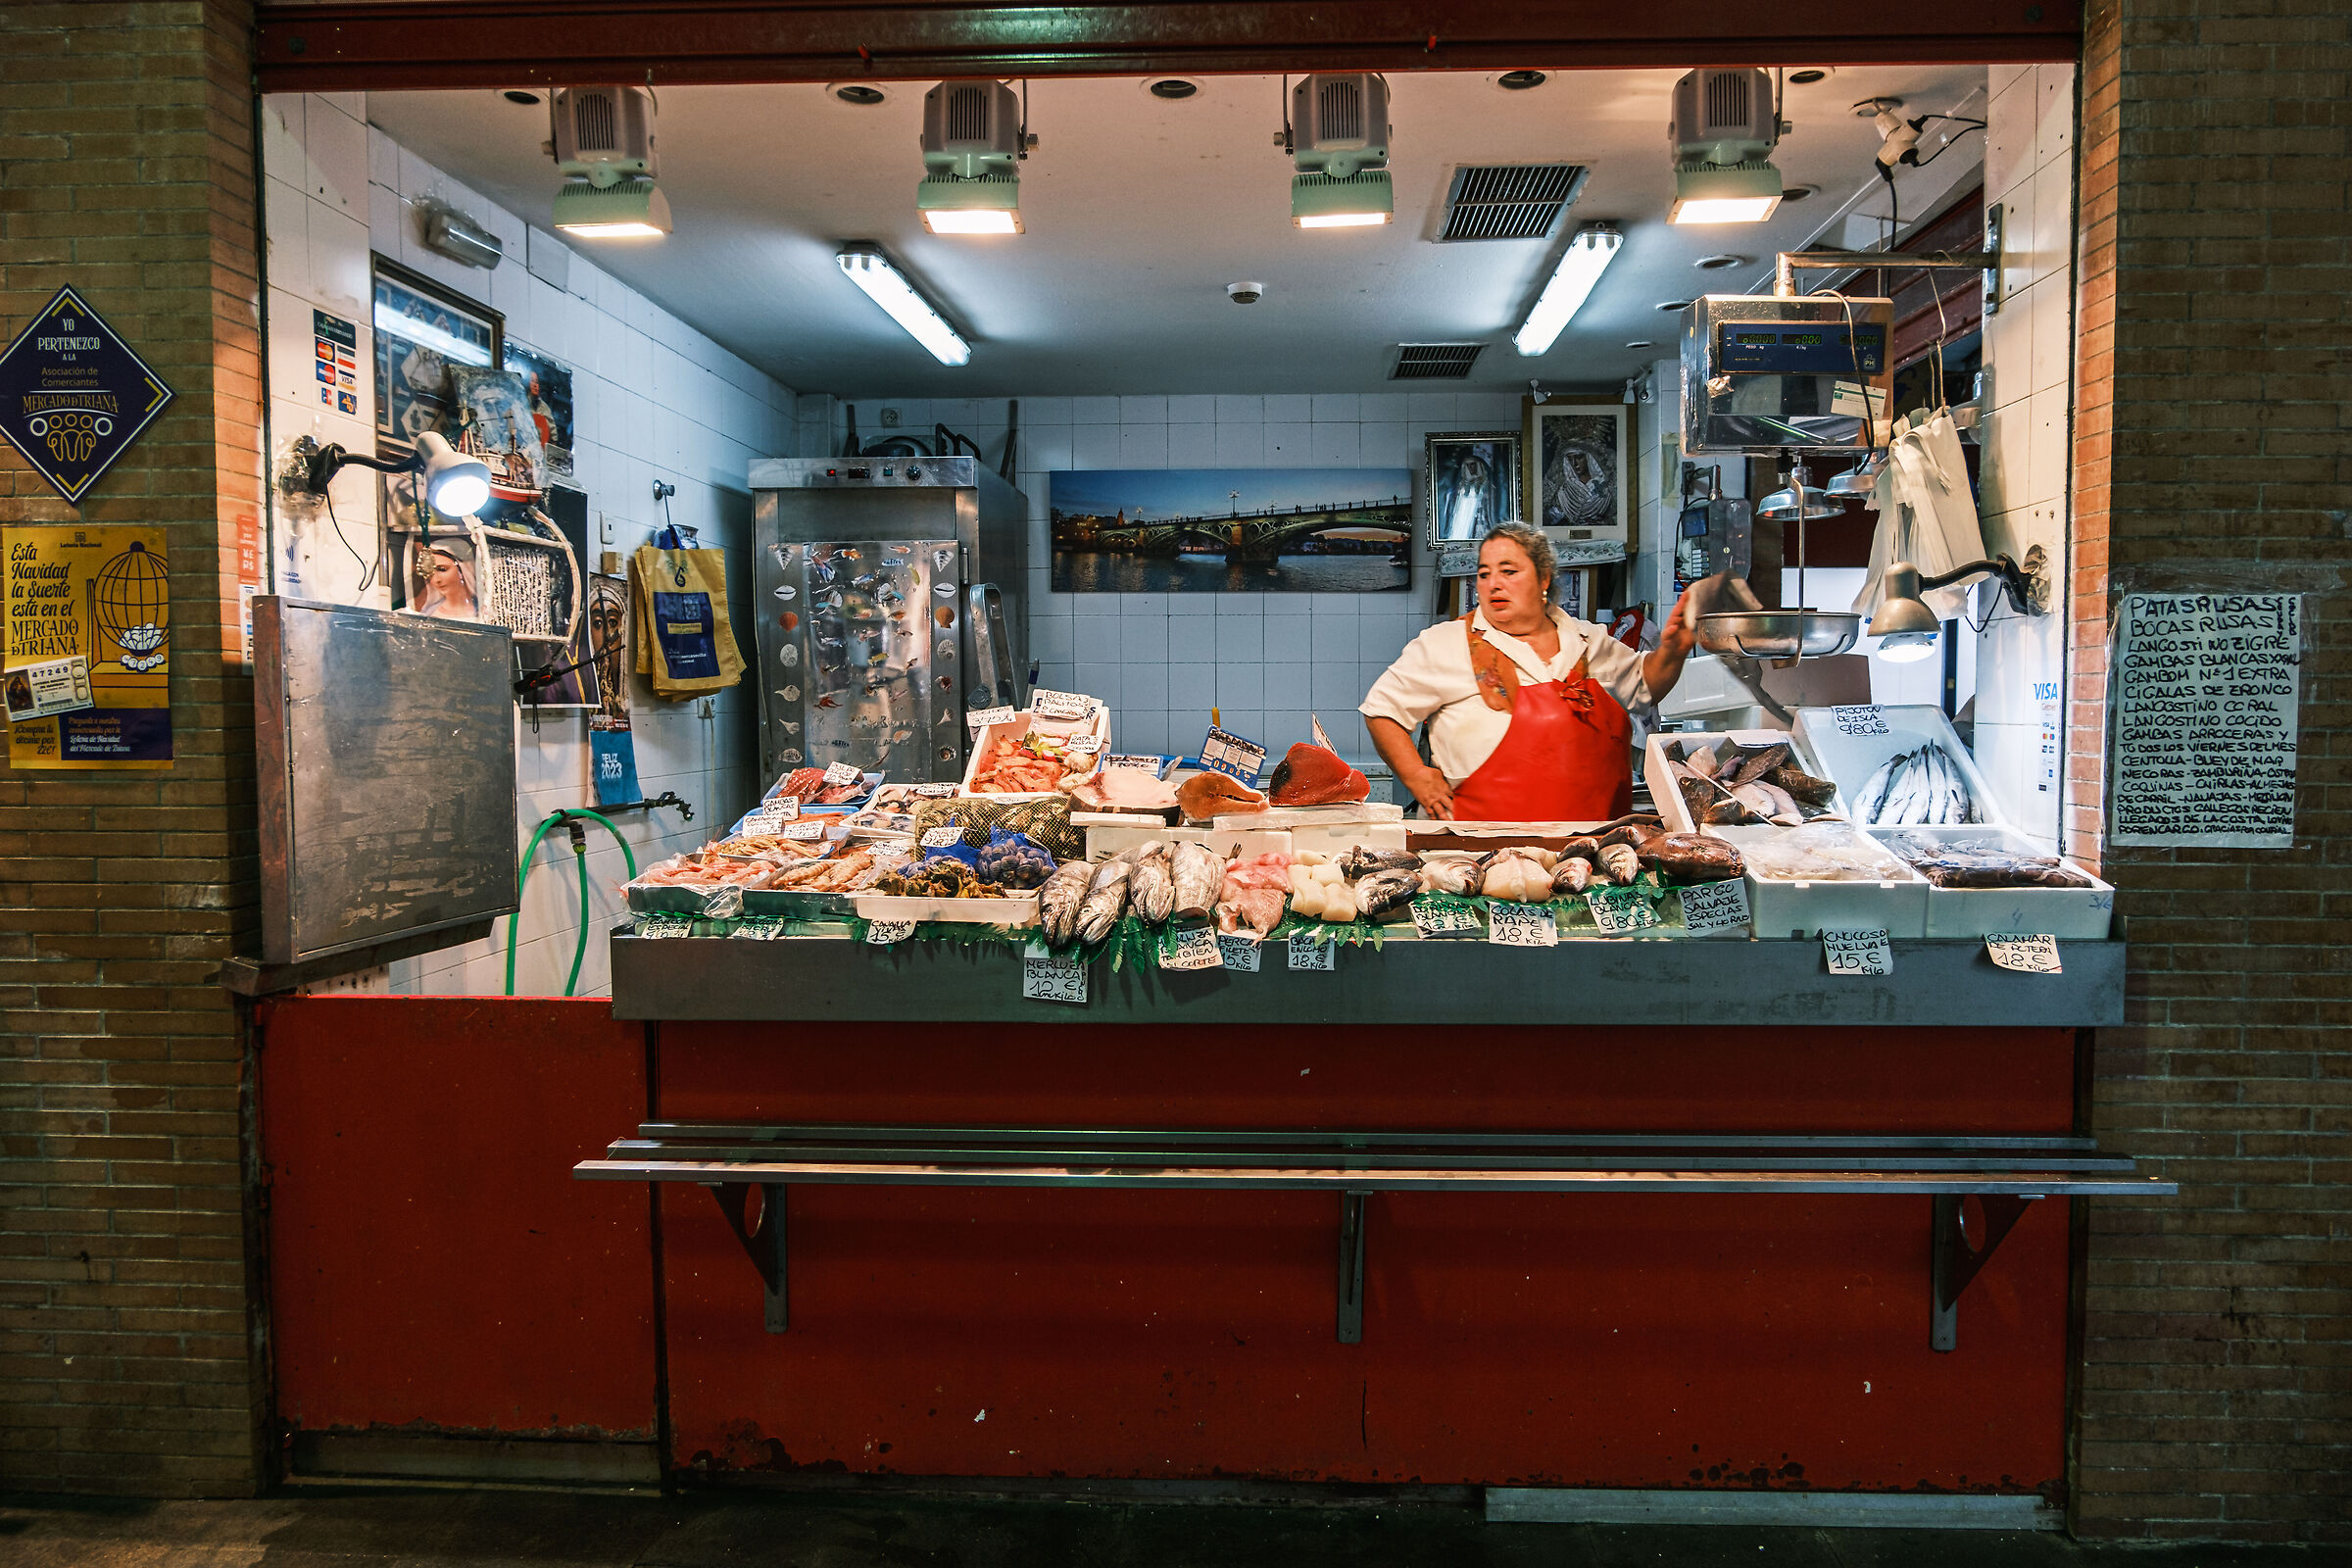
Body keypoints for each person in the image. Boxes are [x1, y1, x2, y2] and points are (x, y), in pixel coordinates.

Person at [1359, 523, 1696, 822]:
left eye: (1509, 571)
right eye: (1484, 573)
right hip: (1479, 854)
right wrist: (1416, 774)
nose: (1493, 584)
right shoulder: (1443, 643)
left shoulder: (1586, 640)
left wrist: (1675, 648)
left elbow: (1644, 685)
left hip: (1591, 856)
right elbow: (1381, 712)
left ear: (1544, 577)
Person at [413, 542, 478, 619]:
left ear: (463, 569)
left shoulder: (483, 609)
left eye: (442, 569)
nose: (436, 580)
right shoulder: (431, 612)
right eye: (431, 573)